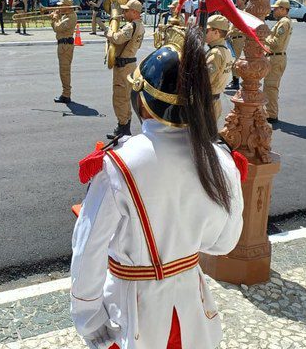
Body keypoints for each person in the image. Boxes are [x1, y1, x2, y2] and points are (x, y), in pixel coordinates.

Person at [70, 25, 244, 349]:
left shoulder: (118, 166)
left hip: (134, 317)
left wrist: (92, 326)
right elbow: (223, 243)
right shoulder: (220, 159)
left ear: (144, 103)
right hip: (195, 315)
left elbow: (87, 254)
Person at [106, 0, 146, 139]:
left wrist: (109, 31)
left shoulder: (131, 26)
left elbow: (116, 39)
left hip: (124, 66)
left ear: (135, 12)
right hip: (130, 64)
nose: (124, 12)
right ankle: (124, 126)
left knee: (120, 97)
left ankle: (123, 128)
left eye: (127, 10)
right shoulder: (140, 25)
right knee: (125, 97)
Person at [264, 0, 293, 124]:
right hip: (275, 57)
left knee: (271, 87)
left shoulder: (284, 23)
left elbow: (276, 43)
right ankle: (269, 111)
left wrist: (264, 36)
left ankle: (271, 114)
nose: (273, 11)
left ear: (282, 9)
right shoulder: (283, 22)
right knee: (270, 86)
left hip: (276, 57)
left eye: (276, 8)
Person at [205, 15, 233, 123]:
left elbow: (205, 80)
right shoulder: (225, 50)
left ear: (216, 32)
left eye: (207, 30)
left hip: (207, 103)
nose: (204, 33)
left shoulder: (215, 53)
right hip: (214, 100)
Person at [51, 0, 78, 104]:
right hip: (64, 45)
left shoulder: (70, 17)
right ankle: (65, 93)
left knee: (64, 71)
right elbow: (57, 28)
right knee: (63, 71)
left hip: (65, 46)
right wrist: (55, 18)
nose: (59, 7)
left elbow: (57, 28)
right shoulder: (66, 16)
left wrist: (55, 18)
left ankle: (66, 95)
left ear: (67, 7)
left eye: (62, 5)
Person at [226, 0, 250, 90]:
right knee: (233, 60)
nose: (237, 0)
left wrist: (231, 32)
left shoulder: (245, 13)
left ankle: (236, 82)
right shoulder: (237, 11)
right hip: (233, 38)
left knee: (235, 61)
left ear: (244, 0)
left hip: (239, 38)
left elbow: (243, 28)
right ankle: (234, 80)